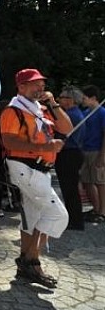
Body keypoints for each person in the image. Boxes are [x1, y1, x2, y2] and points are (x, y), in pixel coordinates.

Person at [1, 68, 71, 288]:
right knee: (57, 214)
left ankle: (26, 263)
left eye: (41, 83)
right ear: (21, 87)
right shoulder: (13, 111)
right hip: (26, 168)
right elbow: (9, 143)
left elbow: (66, 127)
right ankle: (31, 261)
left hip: (40, 170)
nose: (40, 87)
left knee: (31, 217)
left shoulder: (41, 110)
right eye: (34, 84)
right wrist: (44, 146)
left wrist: (53, 104)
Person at [55, 87, 86, 230]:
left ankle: (75, 220)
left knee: (70, 188)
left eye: (62, 97)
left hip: (69, 153)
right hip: (72, 153)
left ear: (70, 100)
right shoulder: (74, 113)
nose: (59, 99)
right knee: (69, 188)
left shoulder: (71, 115)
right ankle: (73, 218)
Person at [80, 85, 105, 223]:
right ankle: (95, 208)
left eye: (84, 98)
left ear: (93, 98)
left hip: (96, 150)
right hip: (85, 150)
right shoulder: (85, 113)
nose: (82, 100)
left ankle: (102, 211)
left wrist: (102, 155)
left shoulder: (102, 113)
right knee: (87, 181)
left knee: (100, 181)